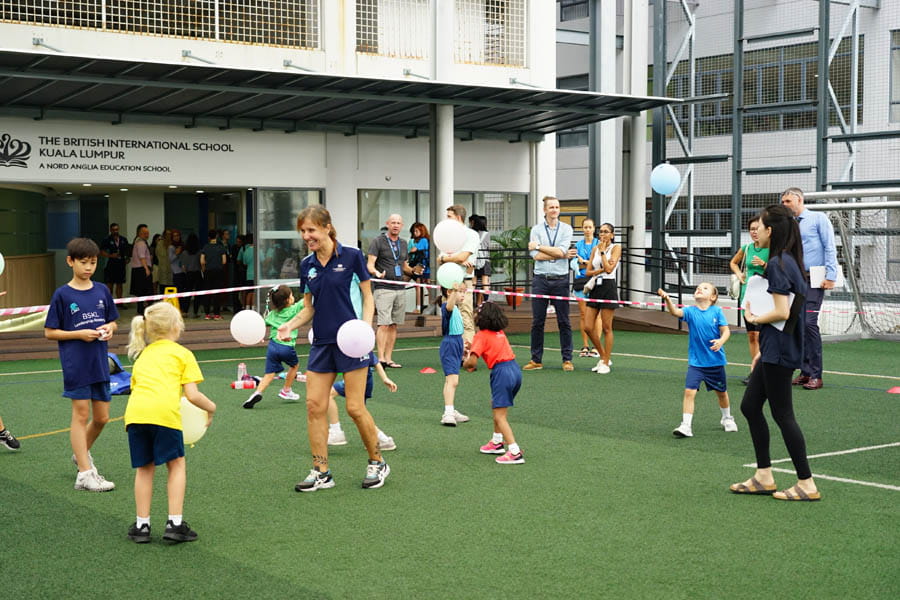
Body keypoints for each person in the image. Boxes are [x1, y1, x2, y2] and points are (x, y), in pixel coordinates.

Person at [277, 205, 390, 492]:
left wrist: (366, 327)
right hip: (322, 342)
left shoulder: (351, 256)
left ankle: (377, 462)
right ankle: (321, 471)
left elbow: (368, 296)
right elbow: (307, 308)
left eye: (311, 230)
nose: (307, 236)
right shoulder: (307, 265)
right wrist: (290, 326)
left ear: (327, 227)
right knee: (314, 406)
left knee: (354, 407)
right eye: (303, 231)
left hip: (353, 341)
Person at [731, 204, 820, 501]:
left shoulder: (778, 264)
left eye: (761, 225)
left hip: (780, 349)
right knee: (750, 407)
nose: (756, 229)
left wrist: (755, 319)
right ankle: (763, 475)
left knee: (783, 415)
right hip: (775, 347)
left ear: (771, 231)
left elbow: (781, 310)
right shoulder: (789, 261)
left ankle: (806, 483)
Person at [124, 301, 217, 542]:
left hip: (135, 415)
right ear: (177, 326)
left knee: (144, 468)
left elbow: (136, 388)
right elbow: (192, 395)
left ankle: (142, 526)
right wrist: (212, 408)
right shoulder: (182, 354)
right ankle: (174, 523)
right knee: (176, 464)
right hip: (164, 415)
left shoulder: (143, 356)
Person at [44, 237, 119, 491]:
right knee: (81, 414)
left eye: (93, 263)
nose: (88, 267)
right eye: (83, 262)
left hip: (99, 361)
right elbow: (50, 332)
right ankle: (84, 474)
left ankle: (81, 455)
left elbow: (113, 321)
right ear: (70, 261)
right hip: (76, 362)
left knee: (102, 418)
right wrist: (79, 334)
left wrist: (109, 328)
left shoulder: (102, 290)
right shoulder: (62, 294)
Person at [657, 282, 737, 438]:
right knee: (689, 392)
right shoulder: (690, 311)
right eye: (698, 288)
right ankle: (686, 425)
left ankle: (727, 418)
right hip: (696, 363)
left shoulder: (717, 311)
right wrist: (667, 299)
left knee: (721, 393)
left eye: (705, 288)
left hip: (715, 362)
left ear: (713, 297)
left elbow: (726, 331)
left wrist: (720, 341)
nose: (700, 289)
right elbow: (675, 312)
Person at [780, 187, 837, 391]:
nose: (784, 205)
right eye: (783, 202)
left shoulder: (818, 218)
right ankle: (804, 371)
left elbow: (830, 246)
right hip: (794, 279)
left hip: (815, 277)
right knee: (797, 324)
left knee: (809, 323)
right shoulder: (787, 224)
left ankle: (816, 374)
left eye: (788, 201)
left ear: (799, 199)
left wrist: (831, 276)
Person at [463, 302, 524, 465]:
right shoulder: (500, 333)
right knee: (497, 405)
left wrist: (465, 361)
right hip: (515, 370)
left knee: (499, 414)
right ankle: (497, 442)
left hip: (501, 373)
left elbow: (472, 363)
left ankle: (514, 451)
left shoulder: (481, 335)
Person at [524, 196, 574, 372]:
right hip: (541, 279)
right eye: (551, 207)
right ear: (544, 210)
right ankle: (536, 360)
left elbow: (562, 251)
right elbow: (536, 257)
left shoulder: (566, 229)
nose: (554, 210)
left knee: (564, 321)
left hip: (560, 280)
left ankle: (567, 359)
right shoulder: (536, 230)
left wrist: (538, 246)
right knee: (537, 321)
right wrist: (557, 253)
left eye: (557, 207)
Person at [367, 214, 419, 369]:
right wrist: (376, 273)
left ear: (402, 225)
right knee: (383, 323)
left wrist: (414, 272)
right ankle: (380, 359)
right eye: (393, 223)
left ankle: (389, 359)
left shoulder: (403, 243)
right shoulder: (378, 241)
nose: (396, 225)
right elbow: (370, 264)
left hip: (399, 287)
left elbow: (404, 266)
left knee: (394, 324)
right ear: (387, 224)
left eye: (398, 223)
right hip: (383, 288)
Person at [242, 285, 304, 409]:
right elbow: (306, 301)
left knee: (269, 374)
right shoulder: (295, 309)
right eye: (291, 295)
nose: (293, 298)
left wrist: (254, 337)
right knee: (295, 366)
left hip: (272, 346)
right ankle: (286, 390)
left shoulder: (271, 315)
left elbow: (260, 325)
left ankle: (257, 393)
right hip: (286, 346)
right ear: (287, 300)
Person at [326, 354, 397, 451]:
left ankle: (336, 430)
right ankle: (383, 440)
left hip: (360, 381)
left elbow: (375, 362)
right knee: (357, 415)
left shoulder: (359, 346)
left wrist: (385, 378)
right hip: (356, 380)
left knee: (357, 413)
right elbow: (375, 362)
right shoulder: (354, 344)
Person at [730, 216, 769, 385]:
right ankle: (754, 370)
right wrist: (739, 274)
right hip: (748, 296)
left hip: (765, 296)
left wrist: (764, 264)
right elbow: (733, 263)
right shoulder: (746, 248)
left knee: (762, 336)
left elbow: (780, 268)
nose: (754, 232)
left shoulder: (772, 248)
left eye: (757, 228)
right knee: (752, 335)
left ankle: (764, 370)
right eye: (751, 229)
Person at [582, 222, 621, 373]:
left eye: (605, 232)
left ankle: (605, 361)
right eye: (601, 232)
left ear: (612, 235)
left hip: (608, 287)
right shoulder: (594, 249)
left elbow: (610, 270)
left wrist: (604, 253)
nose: (602, 234)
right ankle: (603, 356)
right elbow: (588, 271)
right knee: (587, 326)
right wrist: (600, 270)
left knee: (606, 327)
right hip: (596, 287)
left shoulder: (615, 248)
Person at [438, 205, 480, 343]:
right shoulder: (447, 235)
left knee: (465, 317)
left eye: (449, 216)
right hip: (447, 283)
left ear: (458, 217)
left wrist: (449, 258)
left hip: (464, 280)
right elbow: (440, 258)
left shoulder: (471, 234)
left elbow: (463, 257)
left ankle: (467, 353)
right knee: (448, 316)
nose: (447, 220)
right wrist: (454, 259)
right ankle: (452, 349)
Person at [438, 284, 470, 426]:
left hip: (456, 343)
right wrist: (454, 291)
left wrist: (463, 345)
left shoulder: (457, 308)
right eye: (460, 292)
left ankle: (450, 409)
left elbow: (457, 328)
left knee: (451, 380)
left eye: (464, 292)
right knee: (453, 381)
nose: (463, 295)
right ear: (450, 292)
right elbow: (449, 306)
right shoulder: (446, 306)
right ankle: (448, 413)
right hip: (449, 345)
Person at [572, 218, 599, 358]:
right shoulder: (578, 244)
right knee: (583, 314)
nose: (587, 229)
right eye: (585, 227)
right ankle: (585, 345)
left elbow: (598, 264)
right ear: (582, 229)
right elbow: (574, 264)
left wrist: (585, 262)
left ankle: (596, 346)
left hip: (596, 281)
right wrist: (582, 264)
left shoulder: (599, 244)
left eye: (590, 227)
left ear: (594, 229)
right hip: (581, 281)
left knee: (596, 314)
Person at [200, 229, 227, 320]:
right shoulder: (221, 247)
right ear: (216, 236)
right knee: (217, 293)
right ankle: (216, 314)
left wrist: (204, 270)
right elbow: (224, 261)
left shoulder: (205, 247)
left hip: (208, 271)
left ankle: (207, 314)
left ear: (209, 237)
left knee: (207, 292)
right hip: (218, 271)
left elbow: (202, 261)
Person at [100, 222, 128, 299]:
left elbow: (127, 251)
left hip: (121, 264)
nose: (115, 231)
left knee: (120, 284)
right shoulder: (107, 240)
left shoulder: (123, 239)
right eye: (113, 230)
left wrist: (127, 258)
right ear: (110, 230)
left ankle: (119, 301)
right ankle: (109, 302)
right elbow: (101, 251)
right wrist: (110, 255)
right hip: (110, 264)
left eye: (116, 229)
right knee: (110, 284)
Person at [129, 224, 153, 315]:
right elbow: (141, 257)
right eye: (144, 233)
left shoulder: (139, 242)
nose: (147, 235)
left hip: (139, 269)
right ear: (139, 233)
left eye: (147, 233)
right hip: (141, 269)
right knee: (144, 291)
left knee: (141, 292)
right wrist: (146, 269)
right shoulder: (141, 243)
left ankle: (141, 309)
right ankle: (142, 310)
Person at [408, 222, 431, 313]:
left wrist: (411, 246)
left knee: (424, 286)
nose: (415, 233)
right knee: (422, 286)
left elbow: (413, 249)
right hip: (423, 267)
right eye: (414, 231)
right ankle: (424, 306)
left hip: (423, 266)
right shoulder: (425, 240)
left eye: (417, 231)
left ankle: (420, 307)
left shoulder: (423, 240)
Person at [180, 233, 203, 318]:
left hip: (188, 274)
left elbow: (183, 267)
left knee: (187, 293)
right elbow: (202, 264)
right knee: (198, 294)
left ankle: (185, 311)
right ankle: (195, 312)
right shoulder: (200, 252)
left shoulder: (184, 253)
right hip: (197, 274)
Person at [169, 229, 186, 314]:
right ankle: (177, 309)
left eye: (178, 235)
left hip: (183, 271)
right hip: (176, 271)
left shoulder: (182, 245)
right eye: (174, 236)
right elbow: (170, 259)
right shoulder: (171, 247)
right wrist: (177, 253)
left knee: (183, 291)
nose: (176, 237)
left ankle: (183, 308)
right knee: (178, 291)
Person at [237, 233, 255, 310]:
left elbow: (242, 262)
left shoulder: (244, 249)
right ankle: (254, 309)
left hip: (247, 274)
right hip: (255, 275)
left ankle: (246, 307)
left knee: (247, 292)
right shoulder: (257, 250)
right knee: (254, 293)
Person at [155, 229, 173, 295]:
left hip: (171, 270)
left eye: (169, 234)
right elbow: (157, 254)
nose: (168, 236)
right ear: (164, 235)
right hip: (162, 269)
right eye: (167, 234)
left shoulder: (172, 243)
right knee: (163, 288)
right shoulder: (160, 244)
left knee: (171, 288)